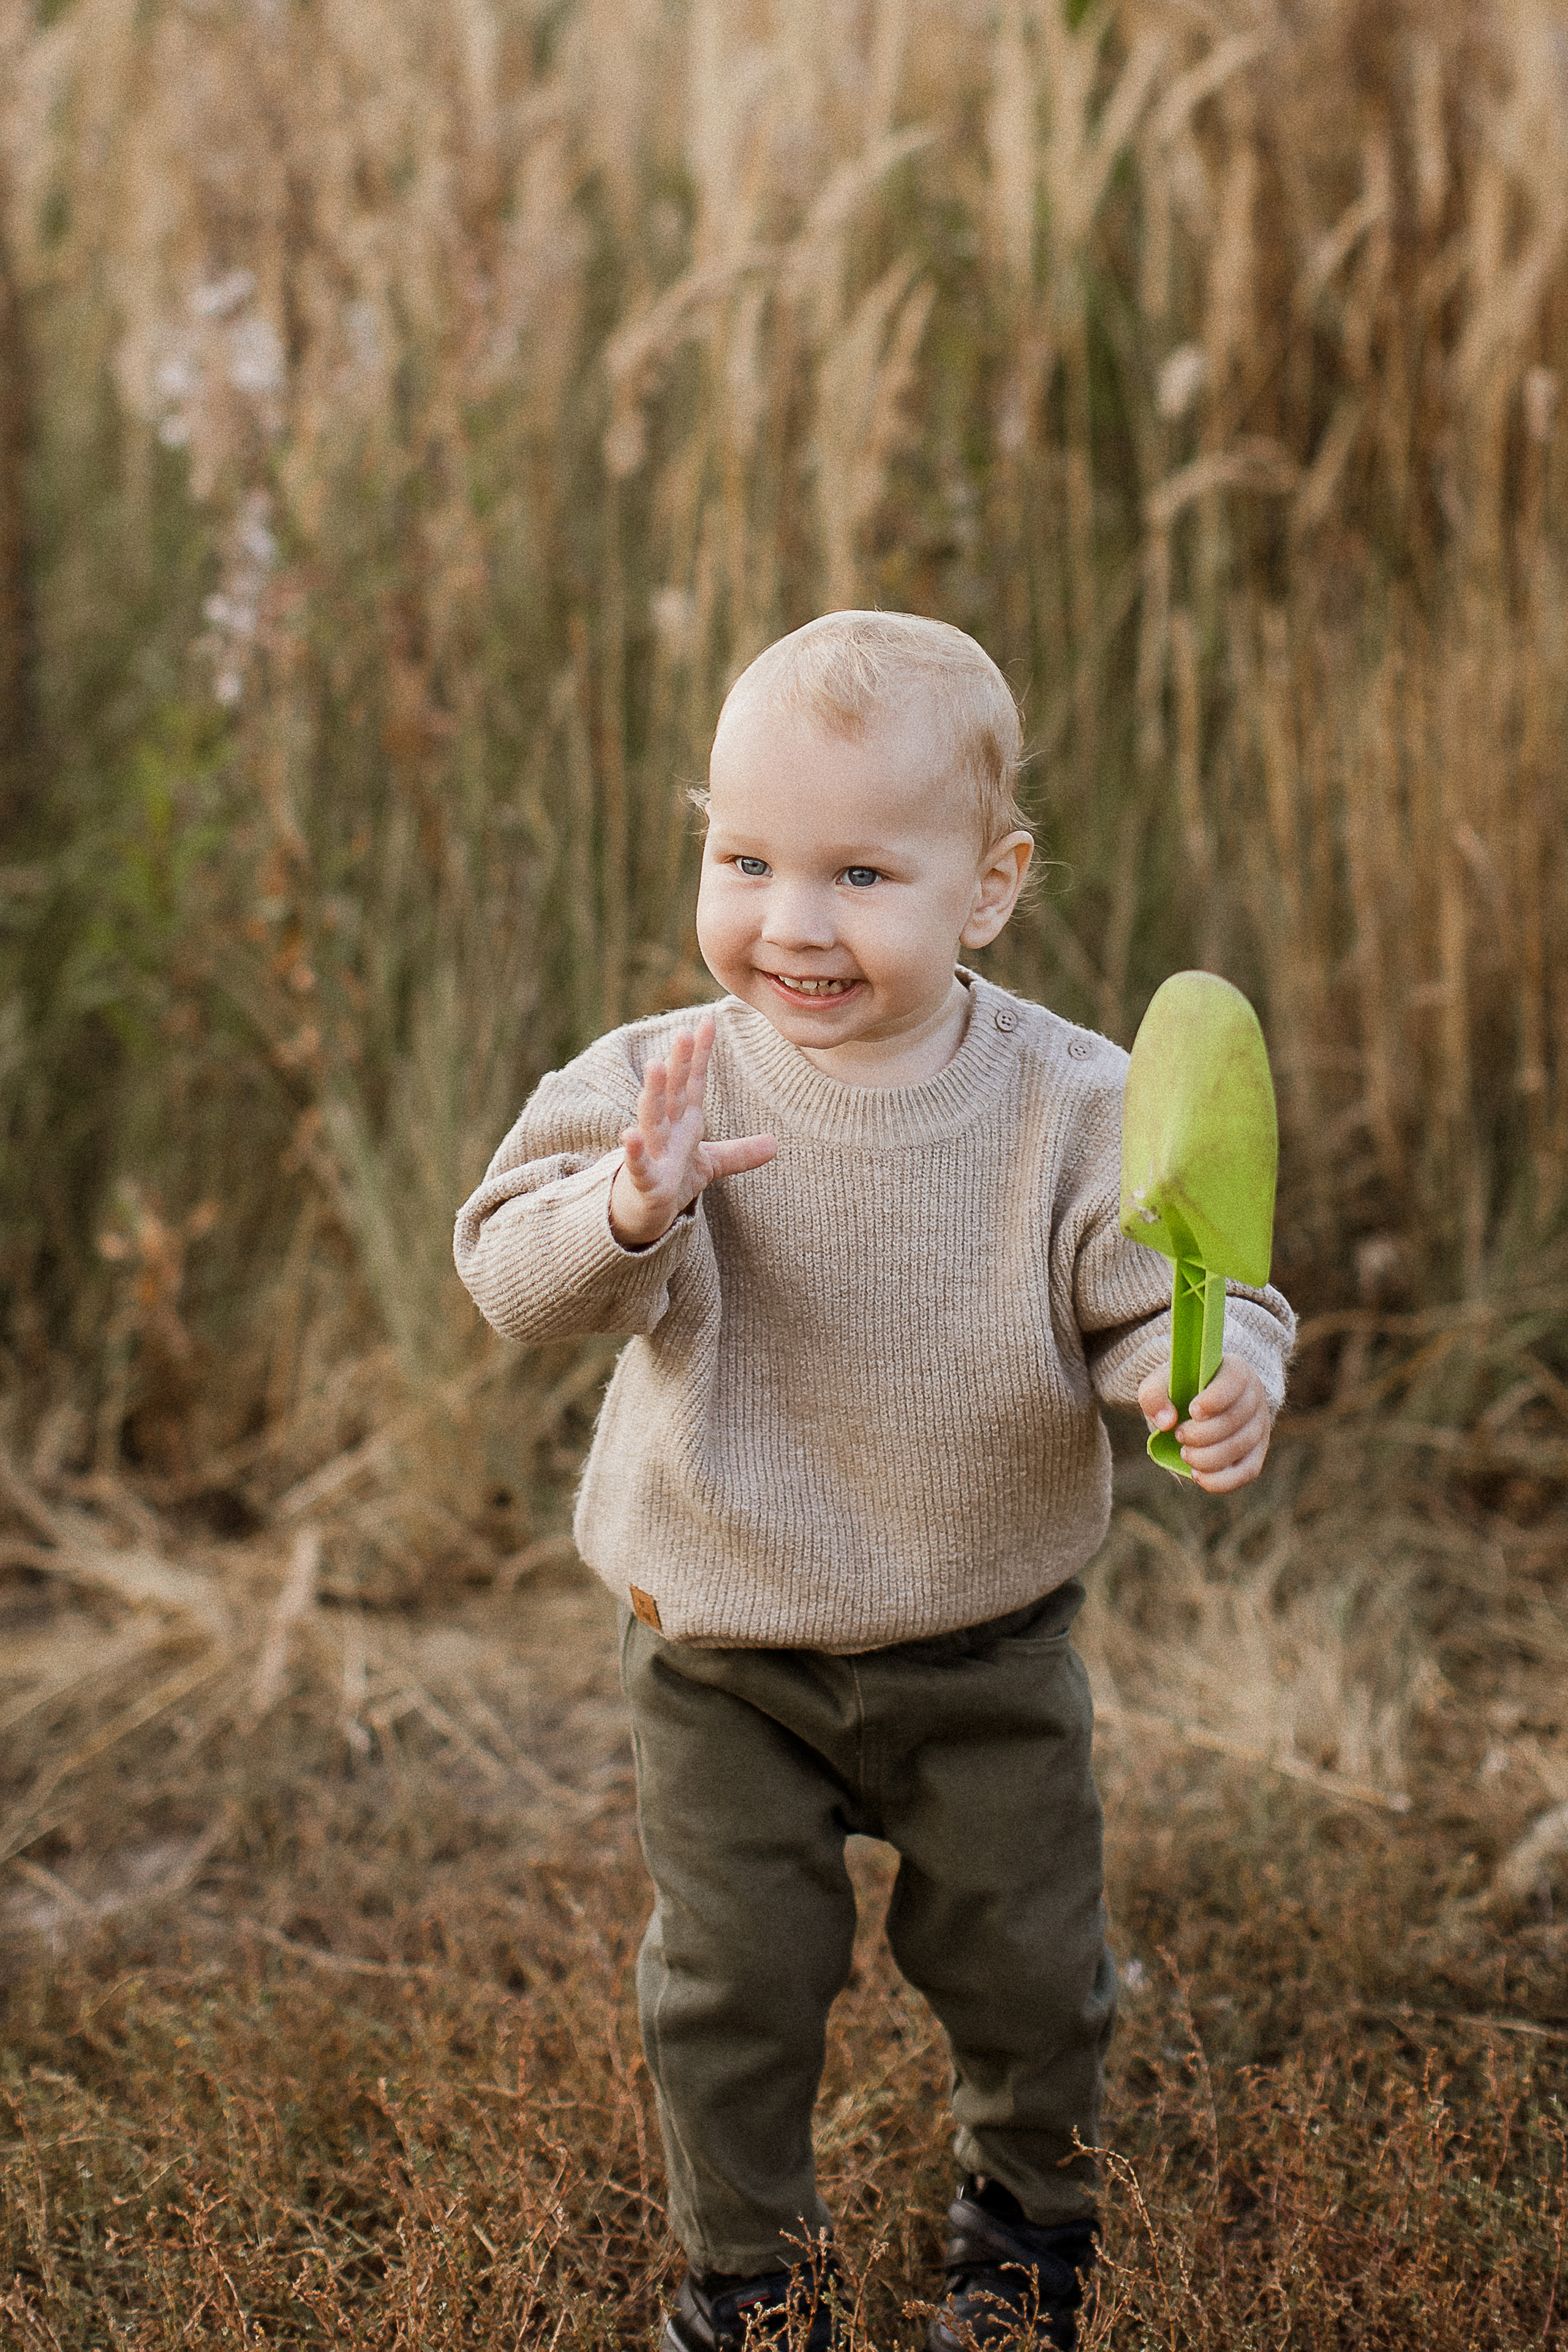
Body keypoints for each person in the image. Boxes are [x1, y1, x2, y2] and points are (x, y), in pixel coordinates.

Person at [454, 611, 1294, 2351]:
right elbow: (507, 1276)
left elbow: (1175, 1288)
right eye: (743, 857)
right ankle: (749, 2275)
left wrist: (1207, 1377)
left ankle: (1026, 2228)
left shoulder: (1072, 1102)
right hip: (720, 1644)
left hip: (979, 1643)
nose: (792, 922)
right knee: (736, 1979)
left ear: (989, 887)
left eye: (858, 871)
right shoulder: (657, 1082)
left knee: (1029, 1963)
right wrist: (630, 1210)